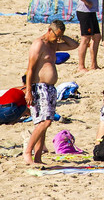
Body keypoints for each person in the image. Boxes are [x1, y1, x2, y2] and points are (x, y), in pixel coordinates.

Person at [23, 21, 79, 164]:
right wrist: (28, 90)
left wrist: (62, 36)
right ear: (49, 30)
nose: (58, 40)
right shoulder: (39, 44)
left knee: (43, 123)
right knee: (46, 121)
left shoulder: (54, 45)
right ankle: (28, 152)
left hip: (50, 89)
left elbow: (74, 45)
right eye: (56, 36)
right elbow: (30, 69)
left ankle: (38, 157)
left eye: (60, 37)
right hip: (39, 87)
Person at [70, 0, 103, 71]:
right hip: (84, 11)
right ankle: (81, 66)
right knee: (86, 38)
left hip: (92, 11)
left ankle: (94, 64)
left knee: (97, 36)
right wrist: (85, 1)